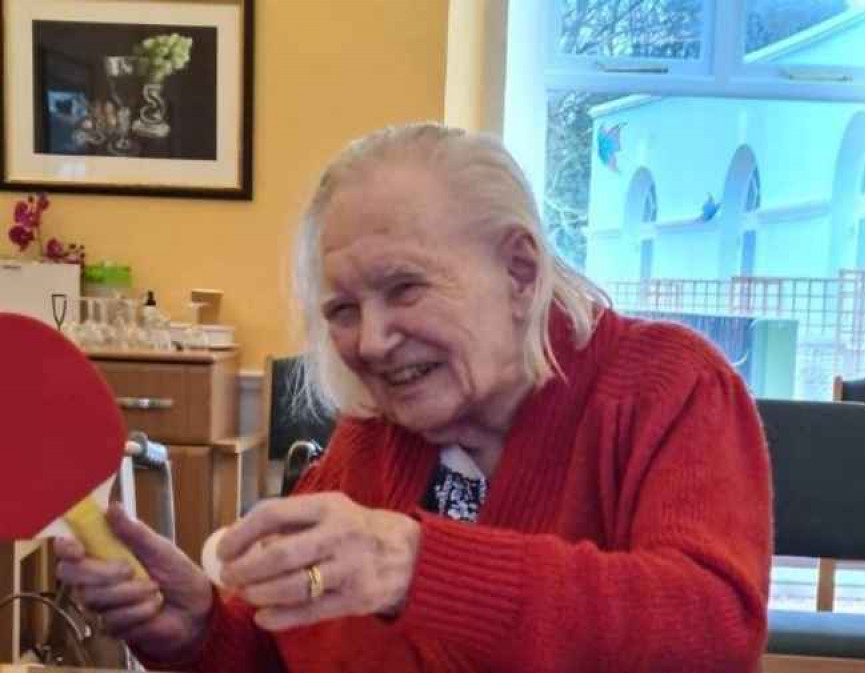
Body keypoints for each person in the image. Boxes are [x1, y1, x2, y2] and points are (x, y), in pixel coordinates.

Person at [54, 123, 772, 672]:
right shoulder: (376, 429)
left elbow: (712, 630)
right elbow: (291, 654)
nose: (370, 341)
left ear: (520, 271)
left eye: (405, 288)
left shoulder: (669, 386)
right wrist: (201, 631)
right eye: (341, 309)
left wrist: (414, 565)